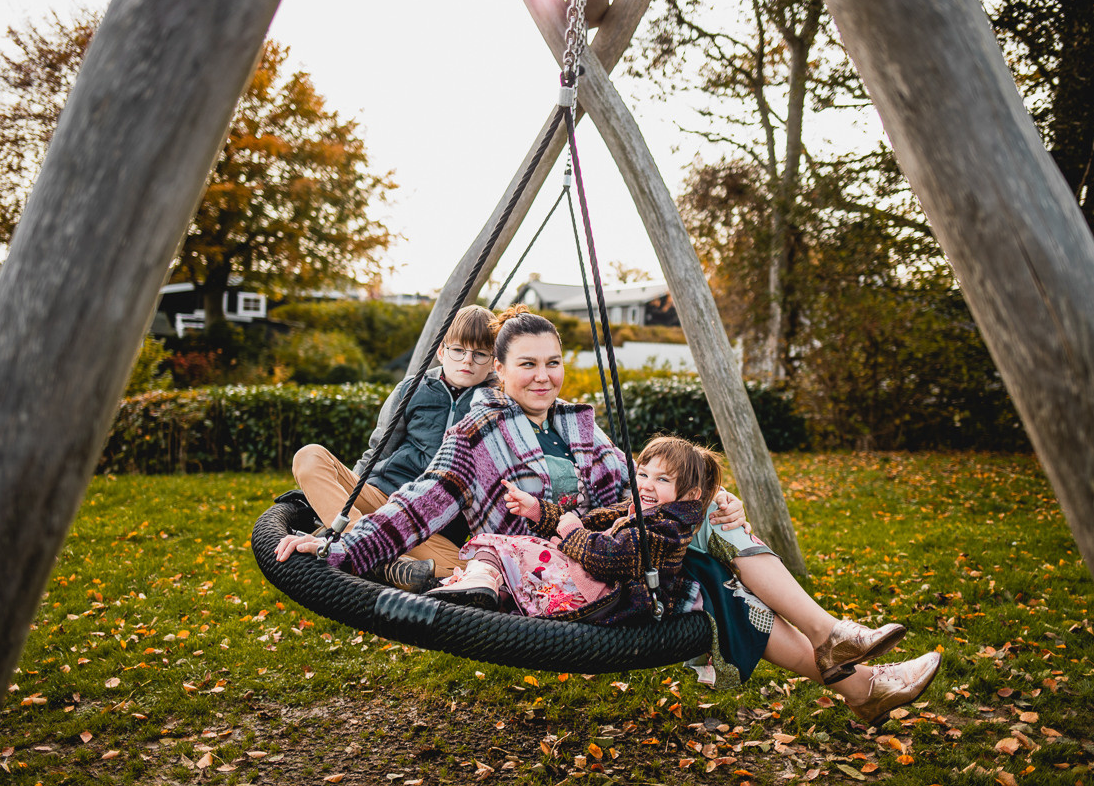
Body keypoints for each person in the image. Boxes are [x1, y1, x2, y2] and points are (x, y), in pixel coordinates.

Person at [275, 304, 939, 726]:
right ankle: (852, 669)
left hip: (616, 551)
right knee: (721, 582)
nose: (544, 377)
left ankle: (843, 654)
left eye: (553, 363)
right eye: (527, 365)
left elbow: (633, 487)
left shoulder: (581, 424)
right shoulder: (477, 434)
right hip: (556, 572)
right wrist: (334, 545)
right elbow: (416, 503)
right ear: (500, 371)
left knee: (724, 566)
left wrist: (701, 499)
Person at [289, 304, 497, 587]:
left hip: (425, 524)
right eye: (458, 350)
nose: (467, 361)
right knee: (310, 455)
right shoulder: (412, 388)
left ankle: (372, 556)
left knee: (470, 572)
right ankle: (354, 543)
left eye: (480, 354)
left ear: (494, 360)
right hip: (381, 496)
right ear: (441, 351)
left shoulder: (496, 403)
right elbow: (378, 451)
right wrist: (338, 494)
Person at [427, 436, 723, 626]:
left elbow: (610, 557)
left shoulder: (667, 528)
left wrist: (571, 534)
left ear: (690, 494)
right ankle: (483, 589)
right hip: (595, 587)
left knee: (510, 546)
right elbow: (586, 521)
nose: (645, 484)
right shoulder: (636, 509)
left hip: (611, 600)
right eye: (643, 474)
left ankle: (478, 581)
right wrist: (537, 510)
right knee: (518, 552)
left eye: (662, 480)